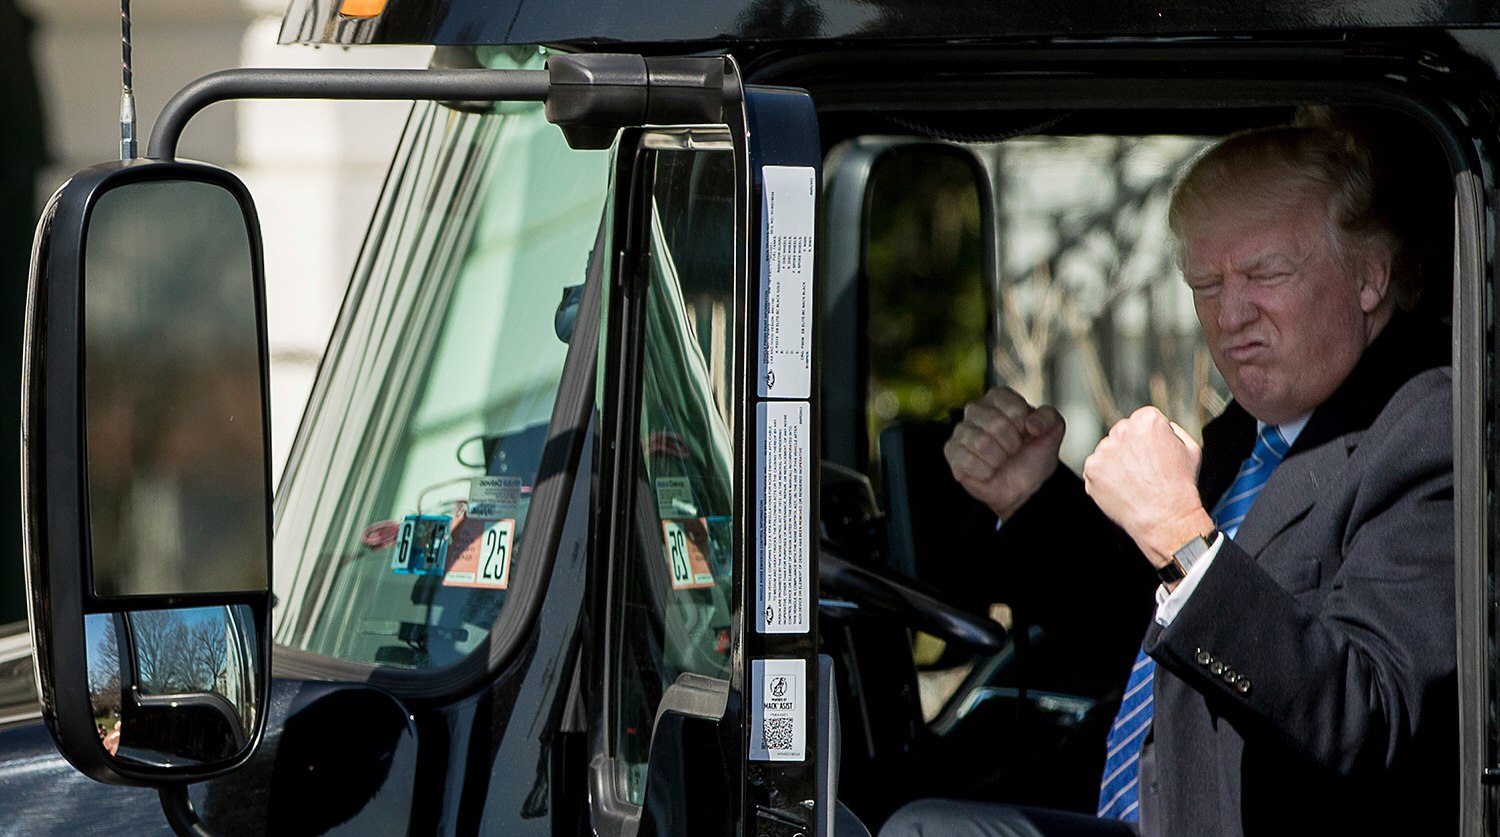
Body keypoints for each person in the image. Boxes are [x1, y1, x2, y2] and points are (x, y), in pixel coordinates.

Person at [882, 124, 1455, 836]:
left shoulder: (1429, 430)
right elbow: (1158, 639)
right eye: (1204, 285)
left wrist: (1181, 536)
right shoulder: (1255, 431)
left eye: (1265, 275)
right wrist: (1031, 496)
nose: (1230, 315)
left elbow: (1366, 716)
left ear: (1369, 277)